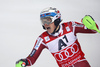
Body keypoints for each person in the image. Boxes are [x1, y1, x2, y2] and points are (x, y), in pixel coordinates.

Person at [16, 7, 99, 67]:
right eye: (43, 21)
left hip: (82, 64)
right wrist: (25, 61)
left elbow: (94, 30)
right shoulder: (42, 39)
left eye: (48, 20)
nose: (45, 24)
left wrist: (92, 24)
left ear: (56, 19)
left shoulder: (71, 26)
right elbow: (32, 57)